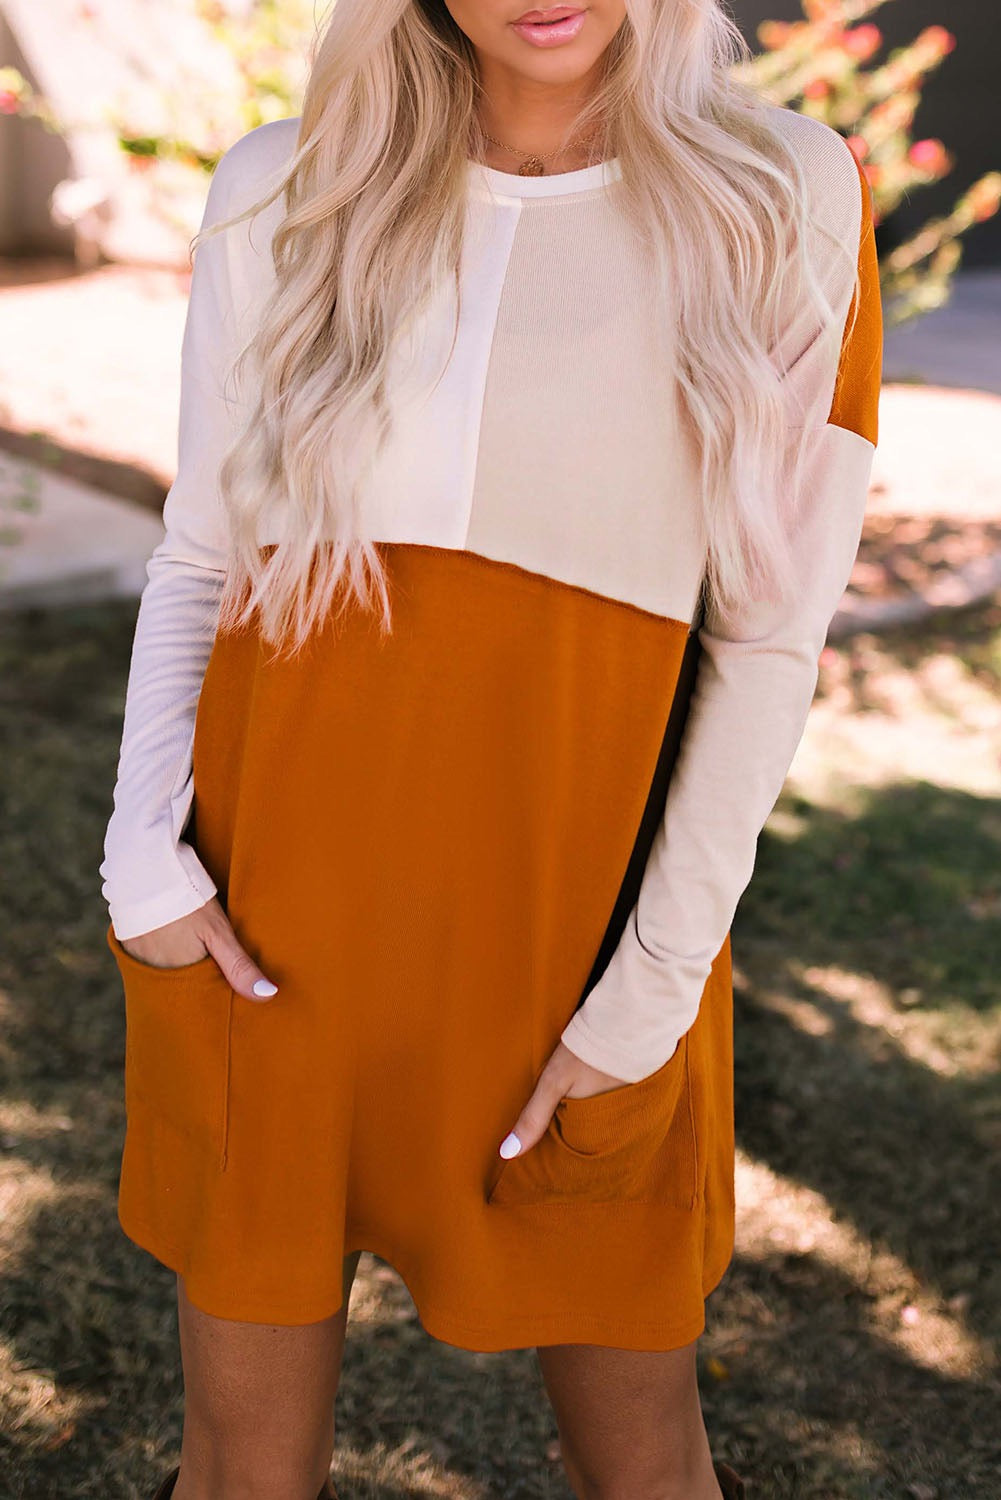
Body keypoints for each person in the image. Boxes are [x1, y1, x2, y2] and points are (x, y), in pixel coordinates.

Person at [98, 1, 883, 1497]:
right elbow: (202, 556)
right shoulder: (285, 182)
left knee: (640, 1455)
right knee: (242, 1464)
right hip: (268, 929)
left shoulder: (783, 189)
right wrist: (143, 861)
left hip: (577, 945)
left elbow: (766, 644)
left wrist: (641, 1002)